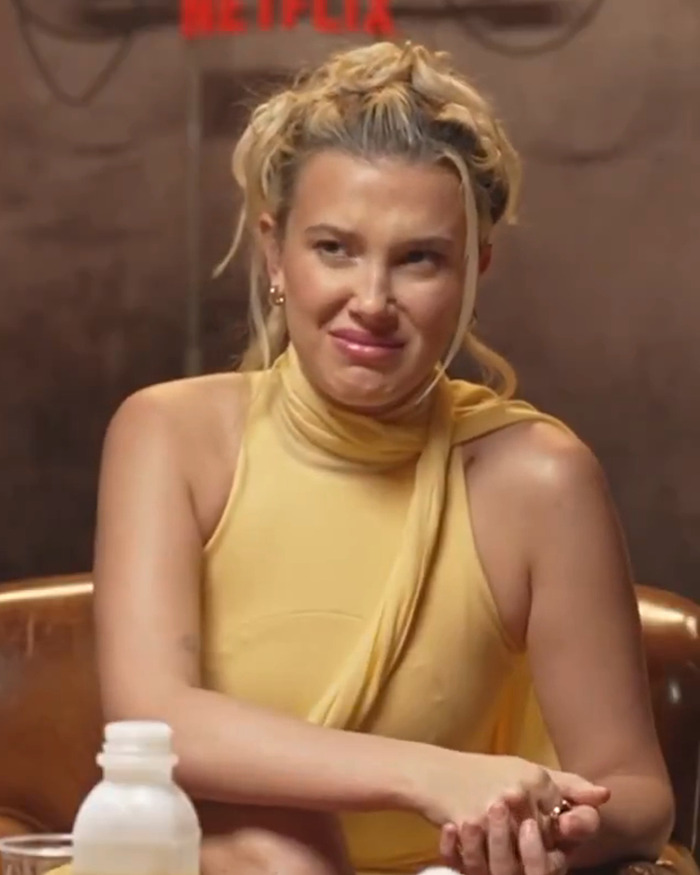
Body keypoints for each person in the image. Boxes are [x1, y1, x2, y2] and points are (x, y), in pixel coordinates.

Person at [93, 40, 674, 875]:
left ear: (474, 267)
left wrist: (532, 828)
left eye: (419, 259)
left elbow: (637, 794)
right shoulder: (168, 435)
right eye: (334, 247)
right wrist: (430, 773)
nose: (370, 301)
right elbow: (152, 720)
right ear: (274, 254)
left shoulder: (541, 477)